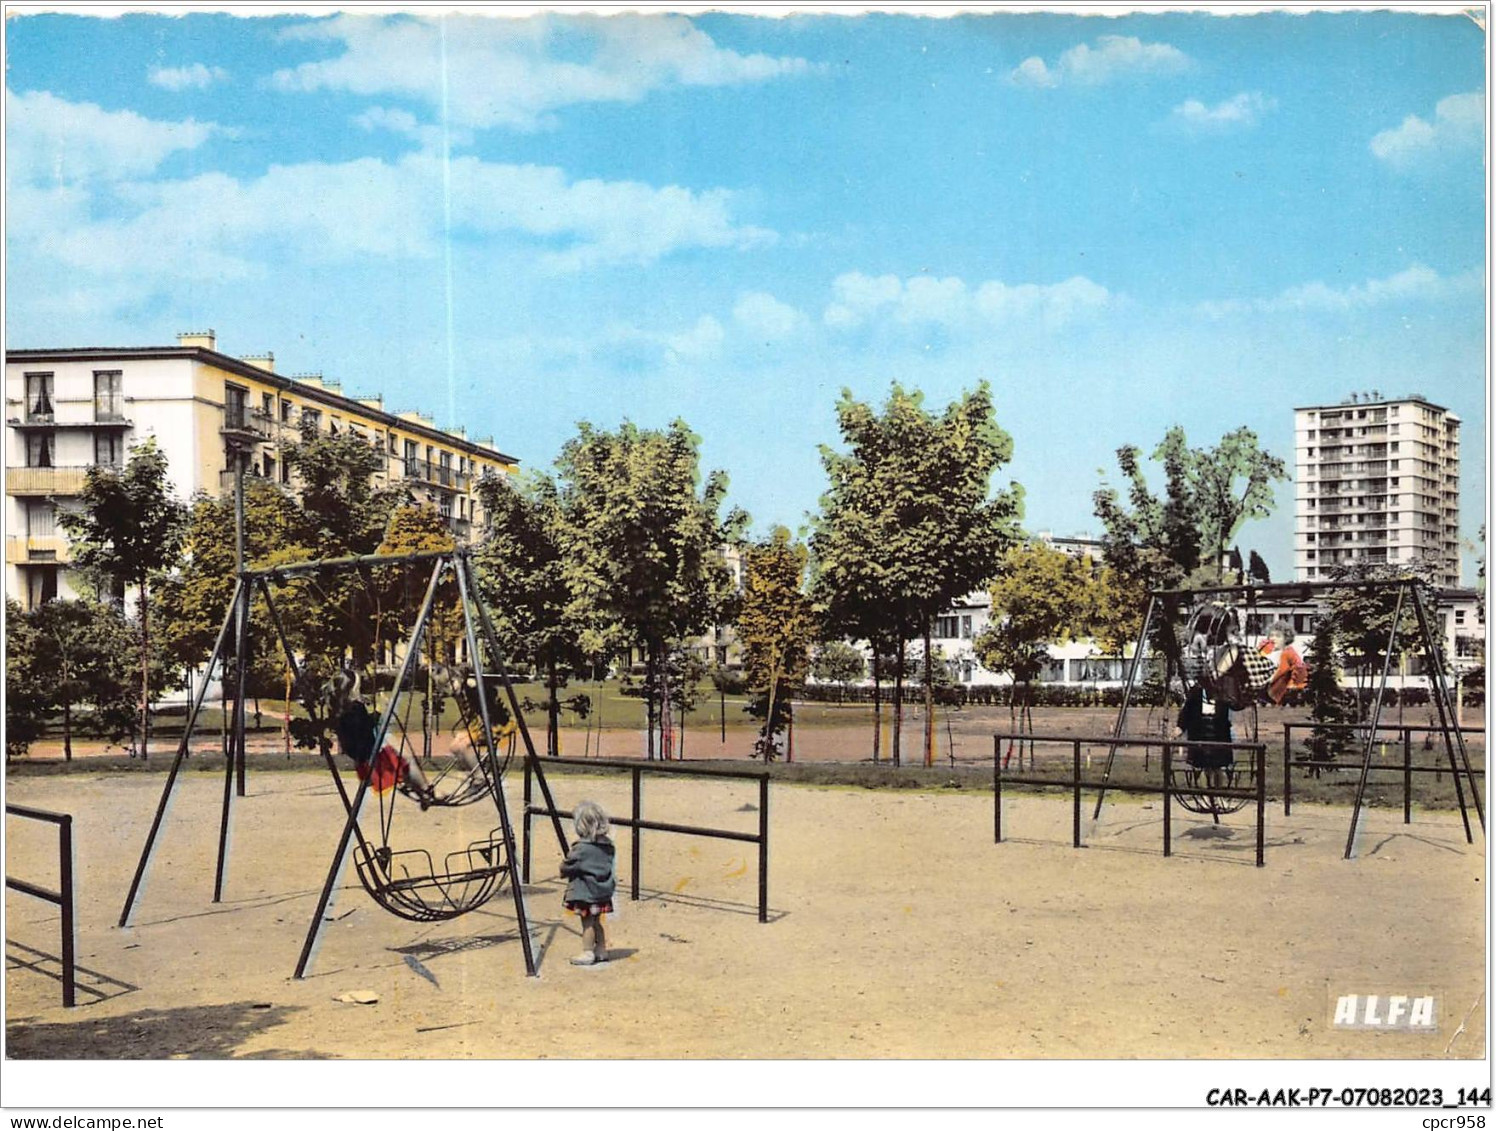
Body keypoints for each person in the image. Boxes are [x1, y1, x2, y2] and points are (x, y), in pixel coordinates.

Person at [324, 667, 437, 809]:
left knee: (403, 768)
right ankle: (426, 790)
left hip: (362, 761)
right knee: (408, 763)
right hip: (373, 760)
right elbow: (367, 726)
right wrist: (380, 710)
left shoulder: (338, 711)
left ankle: (422, 793)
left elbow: (361, 727)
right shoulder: (356, 708)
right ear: (352, 689)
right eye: (358, 687)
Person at [559, 799, 617, 967]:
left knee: (587, 924)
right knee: (598, 921)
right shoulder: (608, 846)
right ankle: (601, 949)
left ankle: (587, 952)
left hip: (586, 892)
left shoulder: (581, 849)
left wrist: (563, 870)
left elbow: (568, 865)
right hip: (602, 892)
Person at [1176, 683, 1233, 790]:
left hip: (1218, 735)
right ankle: (1205, 796)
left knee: (1218, 768)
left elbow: (1235, 706)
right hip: (1200, 735)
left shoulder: (1223, 693)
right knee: (1202, 767)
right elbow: (1186, 712)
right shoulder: (1195, 693)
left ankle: (1218, 795)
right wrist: (1180, 727)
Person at [1262, 622, 1308, 707]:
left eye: (1278, 636)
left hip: (1283, 687)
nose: (1273, 638)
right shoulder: (1272, 651)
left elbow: (1284, 670)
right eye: (1271, 635)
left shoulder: (1288, 653)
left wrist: (1268, 680)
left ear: (1286, 638)